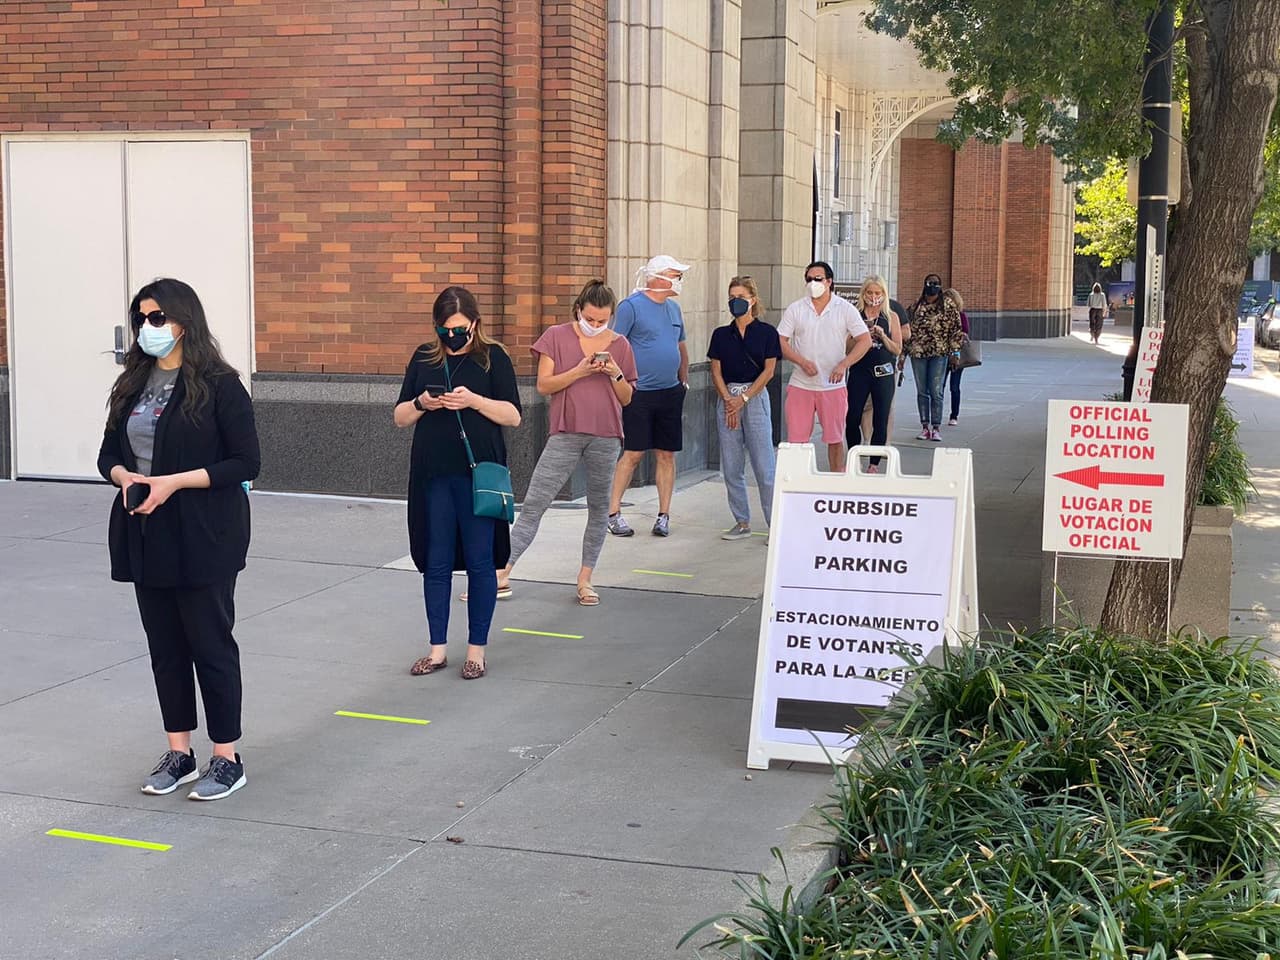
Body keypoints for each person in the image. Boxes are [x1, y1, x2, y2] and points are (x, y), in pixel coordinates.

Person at [98, 278, 260, 801]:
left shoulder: (220, 385)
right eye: (141, 318)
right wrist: (127, 478)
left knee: (209, 644)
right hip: (145, 530)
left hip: (204, 533)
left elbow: (245, 462)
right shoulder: (133, 386)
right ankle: (179, 752)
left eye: (155, 318)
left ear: (183, 321)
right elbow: (108, 454)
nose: (147, 328)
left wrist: (173, 482)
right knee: (165, 646)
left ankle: (226, 756)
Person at [395, 286, 522, 680]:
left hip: (478, 476)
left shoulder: (492, 358)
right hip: (434, 475)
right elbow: (399, 416)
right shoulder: (423, 358)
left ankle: (476, 651)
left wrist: (474, 401)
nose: (452, 338)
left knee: (481, 562)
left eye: (459, 330)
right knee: (436, 562)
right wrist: (421, 404)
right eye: (444, 330)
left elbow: (513, 415)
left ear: (474, 324)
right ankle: (437, 650)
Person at [497, 280, 637, 606]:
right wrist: (580, 371)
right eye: (591, 318)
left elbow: (627, 397)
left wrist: (614, 372)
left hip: (606, 434)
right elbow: (545, 385)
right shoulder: (556, 336)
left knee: (600, 508)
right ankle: (503, 571)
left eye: (603, 321)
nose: (597, 325)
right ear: (579, 310)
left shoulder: (621, 346)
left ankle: (585, 579)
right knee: (535, 503)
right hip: (565, 431)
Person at [607, 254, 691, 538]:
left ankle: (664, 515)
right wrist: (620, 383)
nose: (679, 280)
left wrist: (683, 380)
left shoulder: (674, 309)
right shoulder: (630, 307)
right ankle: (613, 512)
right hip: (638, 394)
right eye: (674, 274)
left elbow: (680, 346)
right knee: (633, 453)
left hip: (670, 393)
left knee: (666, 454)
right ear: (657, 277)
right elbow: (614, 346)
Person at [777, 261, 871, 473]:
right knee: (797, 441)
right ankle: (797, 480)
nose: (813, 283)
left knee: (835, 438)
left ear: (829, 282)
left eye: (817, 279)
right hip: (801, 384)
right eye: (809, 279)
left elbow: (864, 340)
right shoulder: (796, 308)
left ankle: (836, 479)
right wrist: (800, 361)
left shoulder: (845, 309)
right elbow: (780, 341)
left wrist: (844, 364)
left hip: (832, 386)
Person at [708, 275, 781, 540]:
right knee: (731, 464)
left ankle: (776, 525)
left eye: (740, 297)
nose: (735, 302)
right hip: (728, 398)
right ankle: (741, 521)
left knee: (764, 466)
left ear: (752, 300)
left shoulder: (766, 333)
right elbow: (715, 369)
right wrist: (728, 399)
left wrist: (745, 398)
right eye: (731, 297)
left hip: (755, 397)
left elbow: (769, 370)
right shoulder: (720, 335)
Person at [845, 275, 903, 473]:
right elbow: (846, 346)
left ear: (884, 294)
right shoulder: (855, 314)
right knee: (852, 416)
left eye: (878, 293)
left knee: (881, 417)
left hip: (883, 372)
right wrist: (863, 337)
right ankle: (854, 456)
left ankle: (874, 463)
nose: (873, 296)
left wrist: (882, 336)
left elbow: (897, 348)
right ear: (863, 294)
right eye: (869, 292)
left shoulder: (891, 316)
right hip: (859, 370)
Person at [906, 273, 962, 442]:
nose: (932, 286)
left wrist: (955, 352)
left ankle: (936, 427)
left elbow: (956, 330)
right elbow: (907, 331)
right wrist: (902, 355)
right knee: (922, 391)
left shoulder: (948, 305)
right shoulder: (916, 305)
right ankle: (925, 426)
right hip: (918, 353)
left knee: (936, 391)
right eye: (929, 283)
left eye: (936, 284)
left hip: (939, 353)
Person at [942, 287, 970, 426]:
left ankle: (954, 415)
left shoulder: (961, 315)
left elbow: (965, 333)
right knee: (939, 387)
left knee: (954, 386)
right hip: (941, 354)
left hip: (956, 354)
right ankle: (936, 414)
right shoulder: (940, 316)